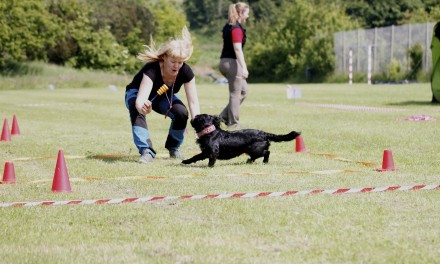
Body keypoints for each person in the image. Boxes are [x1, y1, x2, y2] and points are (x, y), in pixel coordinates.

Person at [125, 26, 200, 163]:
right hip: (137, 93)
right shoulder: (152, 68)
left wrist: (198, 125)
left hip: (163, 95)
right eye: (173, 61)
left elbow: (193, 102)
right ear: (164, 58)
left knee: (181, 112)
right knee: (137, 110)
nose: (177, 66)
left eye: (180, 62)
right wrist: (142, 107)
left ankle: (174, 147)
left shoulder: (186, 72)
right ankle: (146, 150)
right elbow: (140, 99)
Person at [218, 2, 250, 128]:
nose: (248, 16)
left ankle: (222, 117)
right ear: (241, 13)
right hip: (232, 63)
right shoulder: (236, 28)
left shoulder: (228, 26)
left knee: (243, 91)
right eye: (247, 14)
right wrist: (244, 67)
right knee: (235, 93)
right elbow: (237, 49)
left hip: (224, 61)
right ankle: (233, 124)